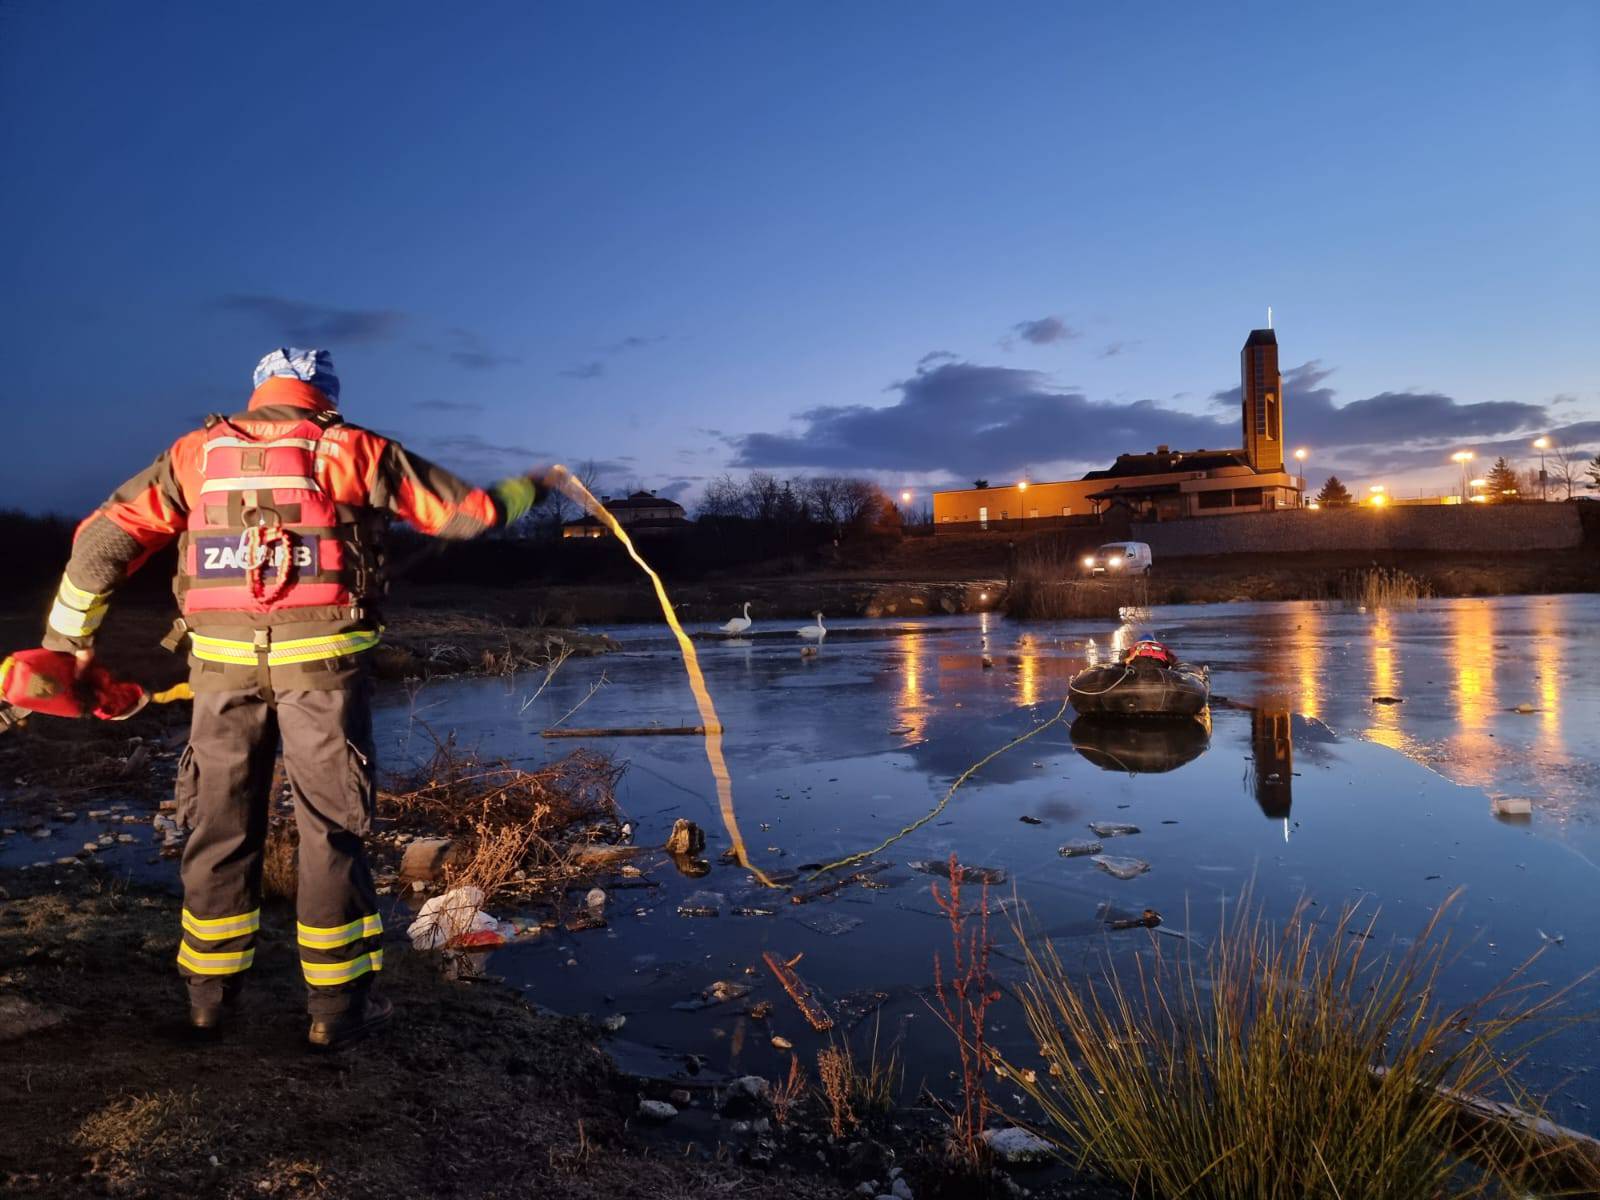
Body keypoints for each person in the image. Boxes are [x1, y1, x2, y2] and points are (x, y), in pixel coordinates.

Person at [40, 348, 547, 1047]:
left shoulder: (195, 455)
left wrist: (68, 646)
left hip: (220, 674)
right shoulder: (349, 448)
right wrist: (534, 488)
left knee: (218, 827)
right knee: (330, 831)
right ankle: (333, 1015)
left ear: (259, 395)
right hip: (324, 673)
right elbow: (470, 513)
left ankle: (207, 1003)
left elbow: (100, 544)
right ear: (324, 394)